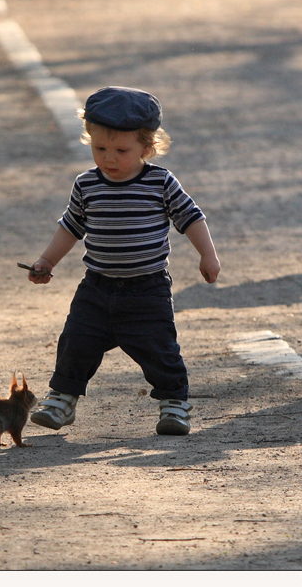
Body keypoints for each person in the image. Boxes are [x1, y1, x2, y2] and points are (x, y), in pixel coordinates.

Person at [25, 86, 220, 435]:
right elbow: (70, 227)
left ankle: (174, 404)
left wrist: (207, 254)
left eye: (121, 150)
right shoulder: (87, 185)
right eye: (100, 148)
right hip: (96, 288)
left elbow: (191, 218)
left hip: (147, 290)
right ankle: (63, 398)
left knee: (160, 348)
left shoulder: (160, 182)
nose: (109, 158)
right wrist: (46, 261)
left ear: (148, 147)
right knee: (76, 341)